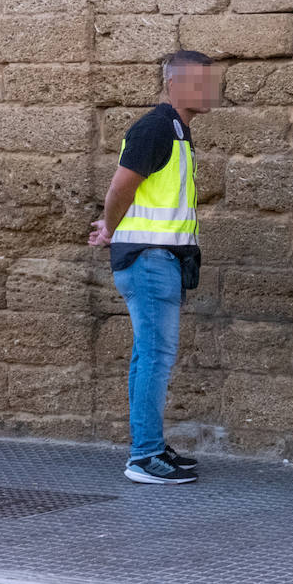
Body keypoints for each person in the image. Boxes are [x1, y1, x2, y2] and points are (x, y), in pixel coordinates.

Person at [88, 50, 222, 485]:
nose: (210, 90)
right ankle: (144, 455)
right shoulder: (156, 129)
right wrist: (110, 228)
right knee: (156, 356)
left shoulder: (176, 132)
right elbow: (120, 187)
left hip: (156, 259)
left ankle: (149, 446)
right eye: (200, 82)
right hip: (150, 260)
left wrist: (112, 228)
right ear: (173, 85)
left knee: (147, 354)